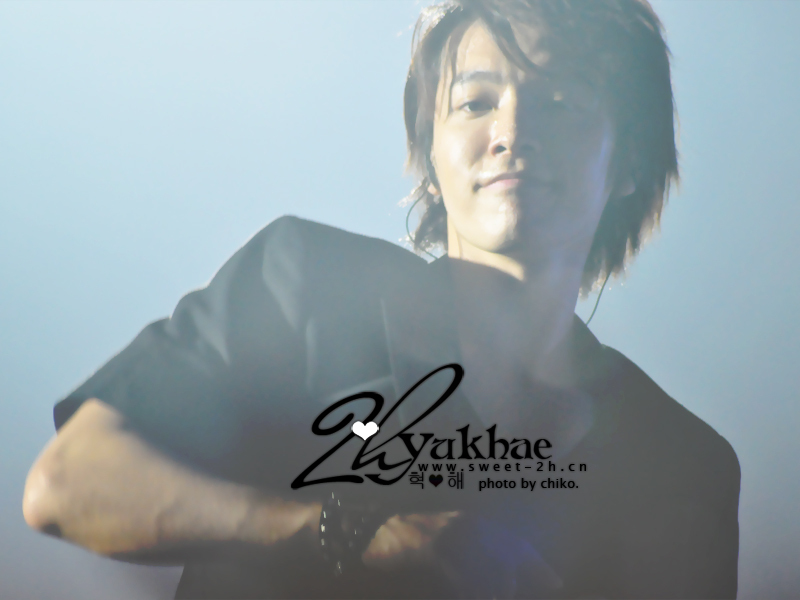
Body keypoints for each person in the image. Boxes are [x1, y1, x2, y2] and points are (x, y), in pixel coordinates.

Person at [22, 0, 740, 598]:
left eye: (560, 100)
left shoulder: (684, 466)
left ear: (629, 159)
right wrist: (338, 531)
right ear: (431, 153)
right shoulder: (302, 282)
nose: (512, 132)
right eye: (475, 102)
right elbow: (67, 482)